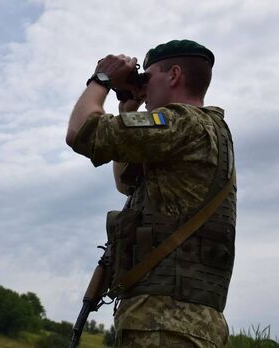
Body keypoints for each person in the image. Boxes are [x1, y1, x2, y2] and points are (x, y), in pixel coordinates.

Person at [66, 40, 236, 347]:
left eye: (148, 77)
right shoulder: (205, 130)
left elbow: (80, 132)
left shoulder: (182, 123)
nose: (143, 86)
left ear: (173, 75)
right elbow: (126, 183)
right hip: (186, 324)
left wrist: (101, 78)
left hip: (165, 325)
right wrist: (128, 106)